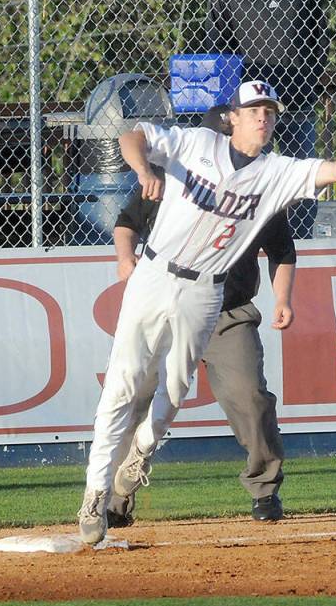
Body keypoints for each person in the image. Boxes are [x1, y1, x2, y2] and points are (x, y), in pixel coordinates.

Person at [77, 78, 336, 544]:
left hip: (206, 293)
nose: (263, 116)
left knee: (173, 392)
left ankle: (141, 452)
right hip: (153, 276)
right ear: (232, 117)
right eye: (253, 109)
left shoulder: (277, 173)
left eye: (269, 110)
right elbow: (134, 136)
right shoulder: (195, 142)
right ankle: (94, 495)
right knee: (123, 385)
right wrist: (142, 169)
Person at [102, 105, 295, 528]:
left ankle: (264, 488)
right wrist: (125, 257)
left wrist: (282, 298)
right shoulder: (177, 175)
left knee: (249, 396)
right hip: (169, 308)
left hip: (228, 312)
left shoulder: (260, 187)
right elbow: (127, 221)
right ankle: (115, 500)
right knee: (135, 398)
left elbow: (282, 250)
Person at [206, 0, 329, 239]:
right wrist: (238, 101)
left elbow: (320, 38)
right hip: (251, 110)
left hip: (297, 102)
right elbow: (216, 45)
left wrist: (308, 78)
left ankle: (300, 240)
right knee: (247, 179)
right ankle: (247, 242)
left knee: (302, 179)